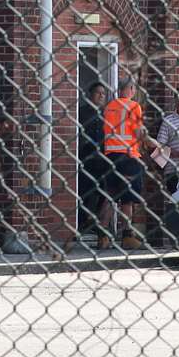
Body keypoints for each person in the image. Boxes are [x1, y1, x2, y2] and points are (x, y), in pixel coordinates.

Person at [102, 76, 157, 250]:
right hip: (129, 157)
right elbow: (139, 132)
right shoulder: (134, 106)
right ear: (131, 89)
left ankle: (102, 236)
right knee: (127, 199)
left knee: (109, 197)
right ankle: (127, 236)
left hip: (110, 156)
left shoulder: (109, 107)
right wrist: (155, 144)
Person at [78, 82, 114, 243]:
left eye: (103, 94)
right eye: (98, 93)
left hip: (104, 159)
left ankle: (97, 224)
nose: (101, 96)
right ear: (90, 95)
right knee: (85, 191)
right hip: (86, 158)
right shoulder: (82, 112)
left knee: (103, 193)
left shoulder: (107, 113)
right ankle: (83, 222)